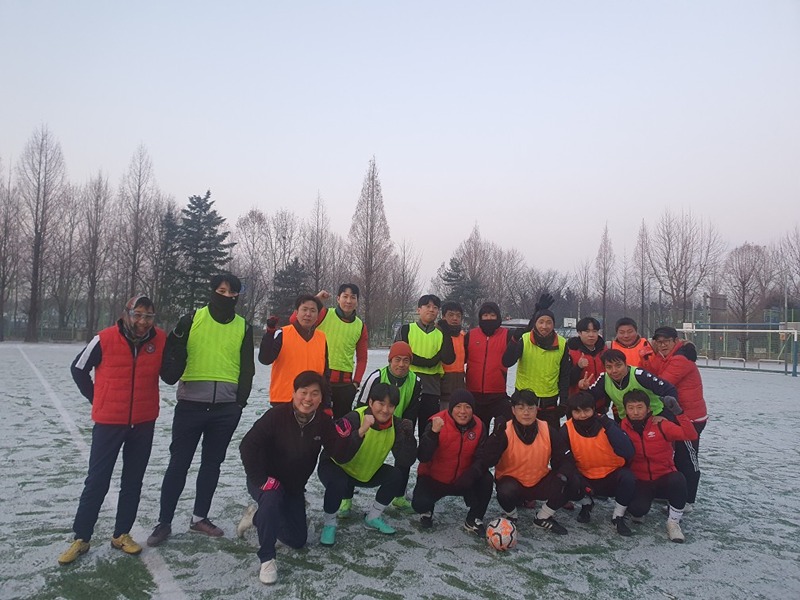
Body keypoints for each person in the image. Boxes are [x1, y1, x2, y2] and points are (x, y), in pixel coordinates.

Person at [147, 274, 255, 547]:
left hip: (225, 410)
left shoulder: (244, 326)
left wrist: (239, 403)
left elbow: (247, 368)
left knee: (211, 465)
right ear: (212, 291)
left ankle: (199, 518)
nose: (227, 296)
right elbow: (171, 356)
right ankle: (164, 522)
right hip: (190, 407)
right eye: (221, 290)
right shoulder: (191, 320)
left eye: (232, 293)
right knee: (178, 464)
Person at [58, 296, 166, 565]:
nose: (143, 322)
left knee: (133, 481)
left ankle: (121, 534)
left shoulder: (160, 340)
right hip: (109, 423)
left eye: (148, 316)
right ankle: (81, 537)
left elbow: (173, 367)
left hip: (143, 422)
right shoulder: (104, 338)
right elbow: (78, 368)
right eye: (138, 315)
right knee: (97, 481)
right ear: (127, 313)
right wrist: (98, 398)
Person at [239, 371, 350, 585]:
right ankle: (267, 559)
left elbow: (339, 455)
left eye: (314, 394)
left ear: (321, 397)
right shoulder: (276, 416)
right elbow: (248, 445)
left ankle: (256, 518)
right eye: (304, 392)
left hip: (293, 488)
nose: (308, 399)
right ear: (294, 393)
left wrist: (344, 438)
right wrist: (260, 479)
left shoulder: (324, 421)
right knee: (270, 500)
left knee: (298, 540)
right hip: (265, 480)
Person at [317, 383, 417, 545]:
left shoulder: (396, 426)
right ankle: (329, 524)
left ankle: (373, 517)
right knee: (339, 482)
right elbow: (339, 454)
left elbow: (405, 461)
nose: (385, 410)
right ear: (370, 402)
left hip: (364, 472)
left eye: (391, 406)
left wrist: (408, 437)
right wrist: (360, 432)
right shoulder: (353, 418)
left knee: (395, 475)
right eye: (381, 404)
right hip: (335, 466)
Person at [478, 390, 573, 536]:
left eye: (530, 408)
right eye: (521, 408)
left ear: (537, 409)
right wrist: (496, 437)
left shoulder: (547, 429)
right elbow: (487, 460)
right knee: (505, 491)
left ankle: (542, 517)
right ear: (513, 410)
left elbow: (564, 458)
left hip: (538, 481)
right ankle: (511, 515)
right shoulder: (504, 430)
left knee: (572, 481)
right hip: (512, 485)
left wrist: (563, 475)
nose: (526, 413)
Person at [620, 391, 698, 542]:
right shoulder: (623, 426)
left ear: (648, 409)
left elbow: (691, 435)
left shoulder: (661, 424)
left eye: (639, 407)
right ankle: (642, 504)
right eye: (630, 408)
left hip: (663, 478)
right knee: (637, 511)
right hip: (641, 480)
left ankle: (673, 522)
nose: (635, 412)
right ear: (625, 410)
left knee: (678, 479)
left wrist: (678, 413)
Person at [412, 389, 493, 533]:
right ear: (451, 408)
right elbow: (423, 456)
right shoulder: (436, 422)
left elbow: (482, 457)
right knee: (419, 504)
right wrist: (433, 434)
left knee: (486, 479)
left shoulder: (479, 426)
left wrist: (471, 474)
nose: (463, 411)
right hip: (435, 479)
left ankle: (474, 518)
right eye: (458, 406)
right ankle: (427, 511)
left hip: (463, 480)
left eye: (467, 407)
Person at [355, 341, 422, 512]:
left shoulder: (416, 381)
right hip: (373, 425)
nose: (401, 364)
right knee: (357, 455)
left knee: (405, 456)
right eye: (397, 359)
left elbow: (412, 409)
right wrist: (368, 425)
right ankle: (345, 498)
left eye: (406, 360)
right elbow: (361, 405)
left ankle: (399, 496)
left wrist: (405, 431)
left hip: (397, 426)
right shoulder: (376, 376)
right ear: (390, 360)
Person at [647, 326, 708, 512]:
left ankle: (688, 500)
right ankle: (673, 492)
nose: (662, 345)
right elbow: (654, 369)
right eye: (659, 341)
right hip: (676, 416)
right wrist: (651, 352)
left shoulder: (681, 359)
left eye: (667, 341)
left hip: (690, 418)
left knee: (687, 458)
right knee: (674, 456)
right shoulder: (667, 357)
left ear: (675, 341)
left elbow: (661, 383)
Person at [560, 392, 636, 536]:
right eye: (577, 411)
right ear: (571, 413)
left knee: (628, 478)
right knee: (565, 478)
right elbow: (561, 461)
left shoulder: (607, 425)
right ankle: (586, 503)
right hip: (586, 479)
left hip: (611, 476)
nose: (582, 415)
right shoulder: (566, 430)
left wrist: (610, 427)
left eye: (586, 410)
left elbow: (628, 451)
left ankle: (618, 516)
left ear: (594, 410)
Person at [290, 284, 368, 418]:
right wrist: (316, 300)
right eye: (345, 296)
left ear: (357, 301)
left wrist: (356, 383)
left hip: (345, 385)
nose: (348, 301)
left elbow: (362, 358)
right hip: (320, 380)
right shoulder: (324, 314)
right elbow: (295, 320)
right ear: (338, 298)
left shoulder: (360, 326)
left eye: (353, 297)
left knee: (341, 427)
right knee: (316, 422)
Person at [503, 293, 571, 429]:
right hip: (525, 400)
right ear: (535, 323)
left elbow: (564, 375)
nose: (544, 326)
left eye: (548, 322)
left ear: (553, 325)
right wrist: (513, 342)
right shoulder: (525, 339)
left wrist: (564, 402)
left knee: (551, 442)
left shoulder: (563, 344)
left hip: (549, 403)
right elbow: (507, 362)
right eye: (541, 322)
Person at [394, 294, 455, 439]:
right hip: (409, 385)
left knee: (428, 432)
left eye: (435, 308)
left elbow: (448, 358)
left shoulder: (441, 333)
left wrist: (446, 332)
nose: (431, 310)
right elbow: (399, 355)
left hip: (431, 387)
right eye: (427, 306)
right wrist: (431, 361)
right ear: (418, 310)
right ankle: (402, 461)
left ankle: (425, 461)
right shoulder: (406, 330)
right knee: (404, 430)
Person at [259, 294, 328, 406]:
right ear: (296, 313)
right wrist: (269, 334)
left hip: (311, 402)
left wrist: (326, 403)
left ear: (317, 315)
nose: (308, 314)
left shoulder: (322, 338)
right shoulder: (283, 334)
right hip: (284, 399)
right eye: (304, 309)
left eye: (312, 311)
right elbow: (265, 359)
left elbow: (325, 374)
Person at [580, 349, 678, 421]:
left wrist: (665, 416)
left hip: (653, 418)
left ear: (625, 364)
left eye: (618, 366)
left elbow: (669, 390)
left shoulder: (640, 375)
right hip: (627, 422)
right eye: (609, 367)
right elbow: (592, 398)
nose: (614, 371)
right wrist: (584, 389)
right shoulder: (604, 379)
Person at [463, 302, 515, 429]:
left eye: (492, 315)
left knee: (504, 431)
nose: (489, 318)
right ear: (480, 317)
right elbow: (460, 358)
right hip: (474, 395)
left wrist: (537, 312)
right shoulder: (470, 335)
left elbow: (528, 332)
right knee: (478, 433)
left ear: (498, 317)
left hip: (497, 395)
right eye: (485, 315)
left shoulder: (507, 335)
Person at [566, 317, 606, 408]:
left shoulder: (604, 351)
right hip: (577, 404)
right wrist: (578, 367)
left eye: (595, 331)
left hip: (600, 403)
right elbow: (566, 380)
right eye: (587, 331)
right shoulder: (570, 352)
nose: (591, 335)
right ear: (579, 333)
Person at [438, 301, 466, 411]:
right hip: (441, 388)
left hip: (459, 387)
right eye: (451, 315)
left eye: (458, 316)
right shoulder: (438, 335)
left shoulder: (464, 337)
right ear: (443, 316)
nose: (455, 318)